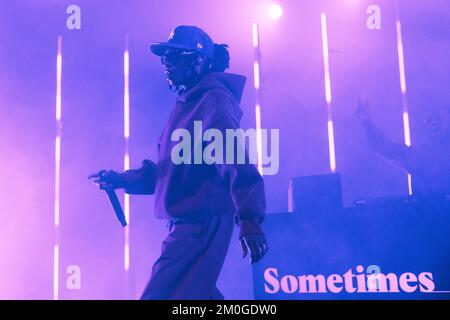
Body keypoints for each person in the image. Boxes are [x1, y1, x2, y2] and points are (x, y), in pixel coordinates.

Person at [89, 25, 268, 299]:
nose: (166, 65)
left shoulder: (213, 101)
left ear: (197, 61)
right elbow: (169, 169)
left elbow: (235, 160)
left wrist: (250, 219)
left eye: (173, 58)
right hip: (190, 224)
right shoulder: (189, 104)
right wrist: (121, 179)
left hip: (199, 225)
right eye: (164, 58)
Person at [356, 99, 450, 195]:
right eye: (435, 121)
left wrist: (367, 124)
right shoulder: (423, 155)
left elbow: (389, 150)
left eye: (441, 120)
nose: (434, 125)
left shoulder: (425, 155)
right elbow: (388, 149)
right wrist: (367, 124)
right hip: (429, 207)